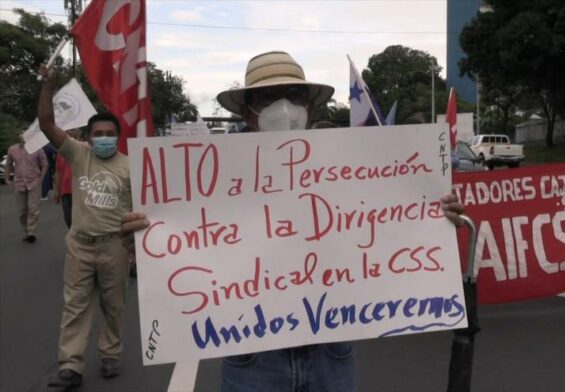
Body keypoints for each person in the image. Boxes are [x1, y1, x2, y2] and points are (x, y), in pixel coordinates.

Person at [121, 51, 467, 392]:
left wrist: (435, 214)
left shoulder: (352, 166)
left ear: (309, 106)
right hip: (252, 353)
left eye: (295, 96)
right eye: (269, 96)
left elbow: (393, 220)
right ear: (247, 109)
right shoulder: (201, 176)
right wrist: (145, 236)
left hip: (331, 350)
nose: (284, 107)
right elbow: (178, 238)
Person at [38, 65, 133, 389]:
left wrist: (135, 249)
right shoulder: (79, 154)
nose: (104, 138)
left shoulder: (129, 166)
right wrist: (48, 87)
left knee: (114, 305)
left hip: (114, 246)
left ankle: (110, 354)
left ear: (117, 137)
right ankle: (71, 366)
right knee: (75, 305)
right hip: (79, 244)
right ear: (89, 137)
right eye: (98, 134)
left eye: (110, 134)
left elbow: (139, 210)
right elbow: (47, 124)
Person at [4, 132, 48, 243]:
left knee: (33, 209)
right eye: (22, 134)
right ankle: (26, 231)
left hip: (34, 182)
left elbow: (45, 164)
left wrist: (41, 179)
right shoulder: (12, 149)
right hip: (19, 183)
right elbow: (8, 164)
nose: (24, 136)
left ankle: (31, 232)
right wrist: (7, 178)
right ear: (18, 136)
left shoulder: (37, 149)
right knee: (22, 211)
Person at [53, 129, 83, 228]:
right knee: (68, 218)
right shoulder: (61, 151)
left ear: (78, 132)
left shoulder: (84, 148)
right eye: (68, 130)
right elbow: (58, 171)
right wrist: (57, 190)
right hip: (65, 190)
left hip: (81, 189)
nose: (69, 132)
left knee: (81, 217)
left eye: (73, 129)